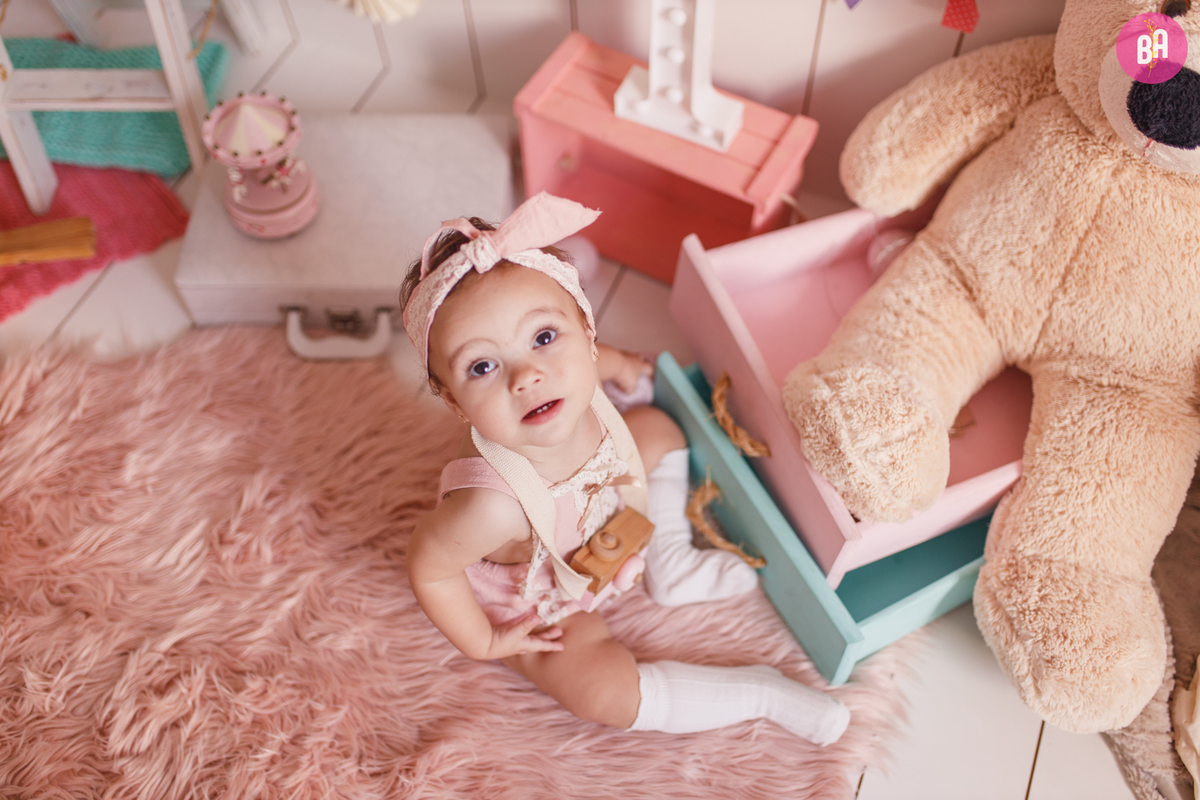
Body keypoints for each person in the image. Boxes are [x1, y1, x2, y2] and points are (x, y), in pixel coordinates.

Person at [403, 193, 850, 744]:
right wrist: (485, 641)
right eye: (482, 366)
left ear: (586, 334)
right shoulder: (492, 508)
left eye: (544, 337)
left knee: (658, 429)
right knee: (599, 692)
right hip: (542, 596)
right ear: (453, 402)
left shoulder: (576, 383)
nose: (527, 376)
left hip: (603, 510)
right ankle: (759, 694)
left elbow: (600, 359)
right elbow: (430, 567)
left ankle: (672, 562)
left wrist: (623, 367)